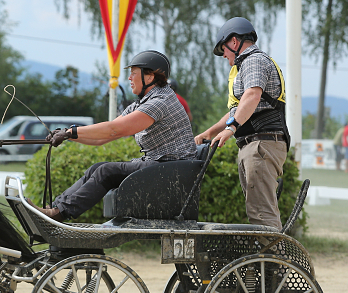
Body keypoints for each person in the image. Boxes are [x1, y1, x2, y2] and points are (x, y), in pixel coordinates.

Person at [34, 50, 196, 221]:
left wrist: (71, 131)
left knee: (106, 171)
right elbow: (103, 138)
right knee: (96, 168)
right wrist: (69, 136)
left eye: (133, 73)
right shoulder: (142, 103)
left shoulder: (159, 102)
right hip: (161, 166)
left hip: (172, 170)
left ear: (149, 77)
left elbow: (114, 129)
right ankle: (53, 208)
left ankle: (58, 214)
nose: (129, 78)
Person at [194, 17, 290, 231]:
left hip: (261, 144)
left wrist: (231, 128)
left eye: (224, 49)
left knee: (262, 214)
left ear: (235, 42)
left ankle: (272, 262)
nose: (224, 55)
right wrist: (209, 132)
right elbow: (237, 109)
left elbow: (253, 96)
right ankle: (269, 260)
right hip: (256, 145)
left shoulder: (253, 61)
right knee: (258, 210)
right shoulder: (246, 64)